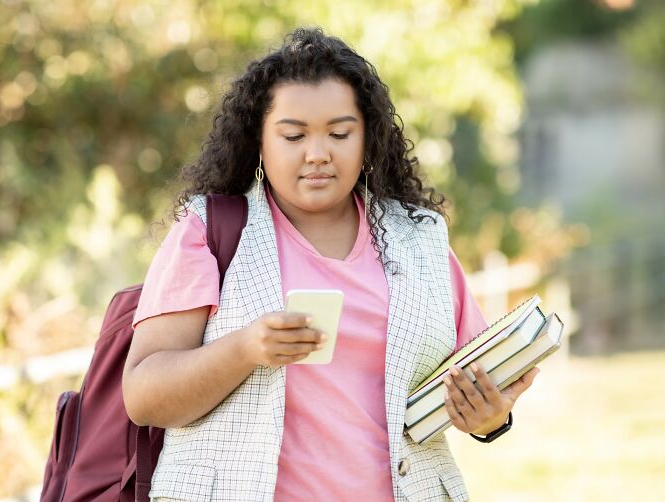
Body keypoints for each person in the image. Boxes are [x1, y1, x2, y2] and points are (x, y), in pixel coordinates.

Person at [121, 27, 539, 502]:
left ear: (368, 139)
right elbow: (143, 396)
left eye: (340, 133)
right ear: (259, 142)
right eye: (293, 135)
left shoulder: (420, 240)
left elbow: (468, 378)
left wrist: (489, 418)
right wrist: (244, 349)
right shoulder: (210, 232)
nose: (317, 154)